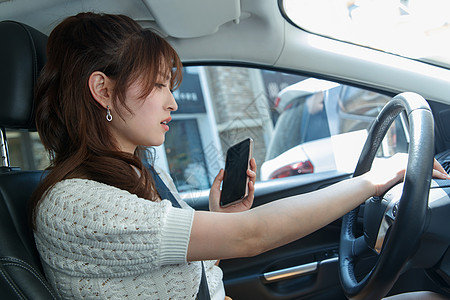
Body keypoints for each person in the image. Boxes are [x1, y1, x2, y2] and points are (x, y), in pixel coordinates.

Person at [29, 12, 450, 300]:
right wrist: (376, 179)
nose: (172, 103)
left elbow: (176, 270)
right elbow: (254, 236)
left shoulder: (143, 166)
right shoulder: (75, 204)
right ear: (102, 89)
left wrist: (221, 217)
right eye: (158, 86)